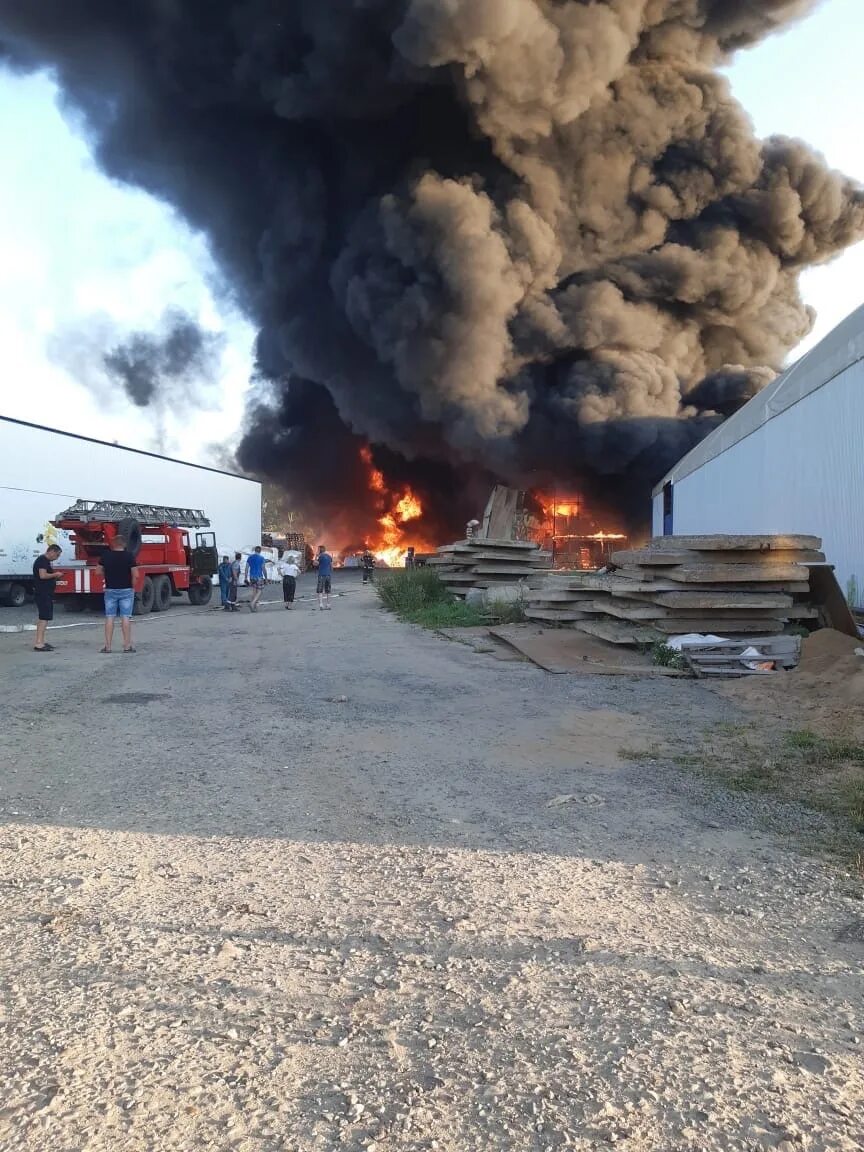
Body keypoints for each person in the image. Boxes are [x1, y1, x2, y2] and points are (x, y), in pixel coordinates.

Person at [96, 534, 138, 653]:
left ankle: (108, 646)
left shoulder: (106, 556)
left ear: (113, 544)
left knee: (110, 617)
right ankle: (127, 646)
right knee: (125, 617)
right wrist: (132, 587)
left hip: (110, 590)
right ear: (124, 544)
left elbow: (97, 572)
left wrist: (106, 571)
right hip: (126, 589)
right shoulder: (129, 556)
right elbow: (136, 575)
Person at [32, 543, 63, 652]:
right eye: (57, 555)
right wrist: (55, 575)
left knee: (45, 617)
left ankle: (41, 641)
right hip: (43, 593)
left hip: (46, 593)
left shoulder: (46, 561)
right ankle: (39, 643)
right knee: (44, 617)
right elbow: (43, 575)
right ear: (52, 551)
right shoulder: (42, 561)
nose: (57, 558)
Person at [245, 545, 267, 612]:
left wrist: (246, 577)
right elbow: (263, 568)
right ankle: (252, 603)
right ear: (260, 551)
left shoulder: (250, 558)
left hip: (252, 576)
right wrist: (266, 577)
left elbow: (246, 568)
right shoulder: (261, 558)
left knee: (254, 591)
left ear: (255, 550)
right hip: (259, 577)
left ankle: (254, 607)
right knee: (260, 591)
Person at [316, 544, 333, 610]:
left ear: (320, 550)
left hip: (321, 575)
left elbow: (315, 563)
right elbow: (332, 567)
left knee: (320, 590)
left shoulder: (320, 556)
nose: (317, 551)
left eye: (318, 549)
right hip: (328, 575)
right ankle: (328, 605)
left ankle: (321, 605)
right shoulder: (329, 556)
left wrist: (316, 556)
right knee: (328, 591)